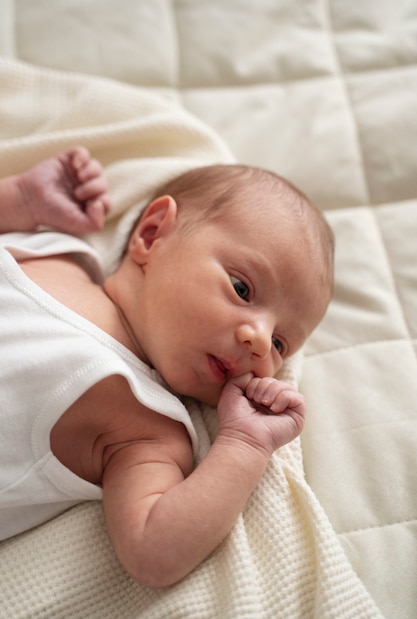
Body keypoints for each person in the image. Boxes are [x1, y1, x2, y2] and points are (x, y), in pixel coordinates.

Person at [0, 147, 334, 588]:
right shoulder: (54, 252)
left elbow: (153, 553)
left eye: (279, 343)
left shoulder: (147, 428)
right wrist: (21, 199)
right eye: (241, 288)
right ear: (153, 234)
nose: (257, 341)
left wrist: (244, 446)